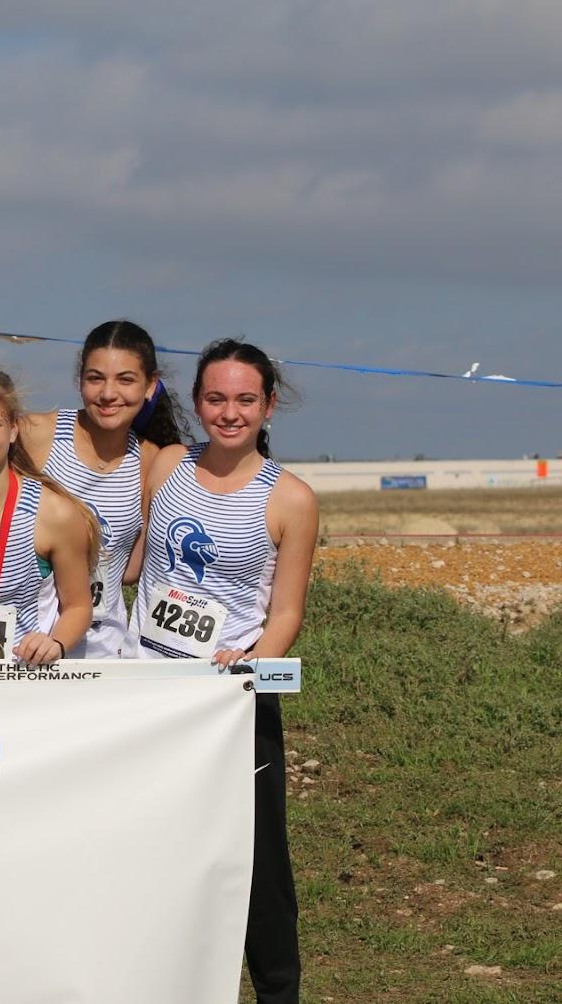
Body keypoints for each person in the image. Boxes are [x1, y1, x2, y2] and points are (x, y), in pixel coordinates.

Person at [134, 338, 317, 1004]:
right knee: (156, 850)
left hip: (233, 705)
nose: (230, 412)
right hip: (147, 691)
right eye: (216, 397)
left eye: (245, 398)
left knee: (258, 863)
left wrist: (247, 677)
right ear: (195, 401)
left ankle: (276, 990)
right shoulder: (166, 466)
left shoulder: (291, 497)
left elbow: (286, 610)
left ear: (269, 404)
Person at [22, 320, 190, 657]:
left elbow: (130, 571)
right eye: (95, 378)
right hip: (25, 646)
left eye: (125, 380)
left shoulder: (151, 461)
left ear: (150, 385)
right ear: (79, 380)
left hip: (104, 652)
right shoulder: (36, 433)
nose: (108, 394)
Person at [0, 364, 97, 661]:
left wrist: (56, 643)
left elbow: (78, 606)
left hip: (22, 683)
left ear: (13, 429)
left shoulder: (54, 514)